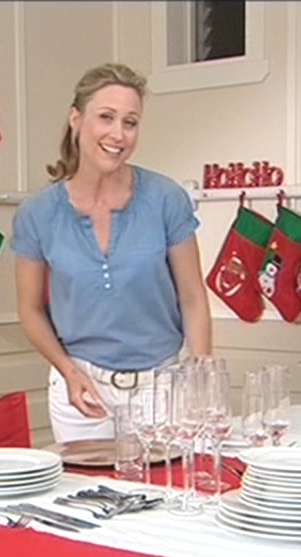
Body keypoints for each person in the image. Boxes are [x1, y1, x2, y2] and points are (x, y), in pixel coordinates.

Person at [11, 62, 212, 443]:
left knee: (171, 481)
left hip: (163, 390)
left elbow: (192, 296)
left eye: (130, 122)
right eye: (106, 117)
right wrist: (68, 372)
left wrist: (201, 380)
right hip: (82, 392)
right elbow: (30, 309)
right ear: (76, 119)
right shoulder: (37, 214)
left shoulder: (166, 198)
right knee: (83, 484)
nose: (118, 134)